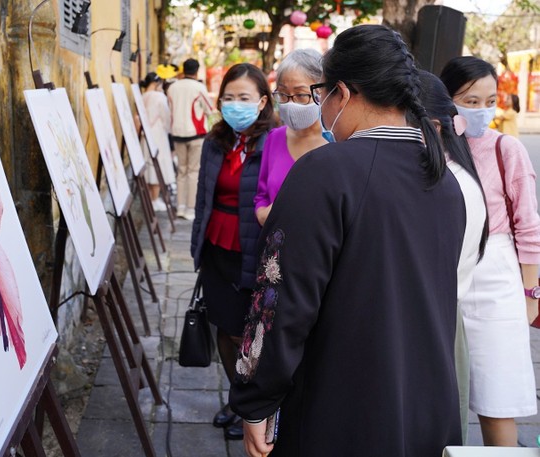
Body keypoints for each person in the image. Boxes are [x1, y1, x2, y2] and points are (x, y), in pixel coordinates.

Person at [230, 25, 466, 457]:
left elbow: (280, 302)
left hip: (343, 408)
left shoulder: (326, 172)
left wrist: (255, 401)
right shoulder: (444, 180)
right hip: (428, 404)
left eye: (320, 95)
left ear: (341, 92)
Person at [441, 56, 539, 447]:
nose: (482, 110)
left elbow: (529, 227)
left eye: (489, 100)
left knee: (497, 400)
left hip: (496, 279)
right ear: (447, 101)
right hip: (444, 274)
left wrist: (530, 295)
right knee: (440, 394)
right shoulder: (431, 148)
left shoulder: (506, 149)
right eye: (470, 100)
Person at [190, 63, 276, 441]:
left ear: (261, 102)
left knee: (251, 334)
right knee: (225, 331)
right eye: (229, 97)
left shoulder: (275, 141)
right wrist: (197, 246)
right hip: (216, 248)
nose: (235, 104)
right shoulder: (215, 141)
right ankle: (237, 398)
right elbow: (202, 197)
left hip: (254, 251)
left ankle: (254, 407)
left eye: (244, 98)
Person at [417, 69, 489, 444]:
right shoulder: (456, 176)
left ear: (431, 125)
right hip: (442, 319)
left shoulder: (443, 184)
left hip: (426, 326)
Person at [255, 48, 327, 225]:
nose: (290, 103)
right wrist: (262, 214)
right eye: (283, 94)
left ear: (322, 93)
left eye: (301, 95)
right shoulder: (275, 138)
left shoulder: (337, 142)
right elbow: (262, 195)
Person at [169, 58, 214, 220]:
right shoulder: (199, 87)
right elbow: (209, 110)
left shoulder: (172, 87)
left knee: (181, 170)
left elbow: (170, 109)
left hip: (177, 133)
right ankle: (190, 209)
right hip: (196, 134)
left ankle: (179, 207)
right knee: (193, 171)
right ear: (196, 71)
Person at [140, 72, 176, 211]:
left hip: (145, 134)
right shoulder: (159, 96)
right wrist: (168, 130)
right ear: (156, 83)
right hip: (158, 133)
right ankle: (154, 200)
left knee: (148, 163)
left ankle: (151, 199)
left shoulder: (142, 96)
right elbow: (166, 116)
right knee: (158, 164)